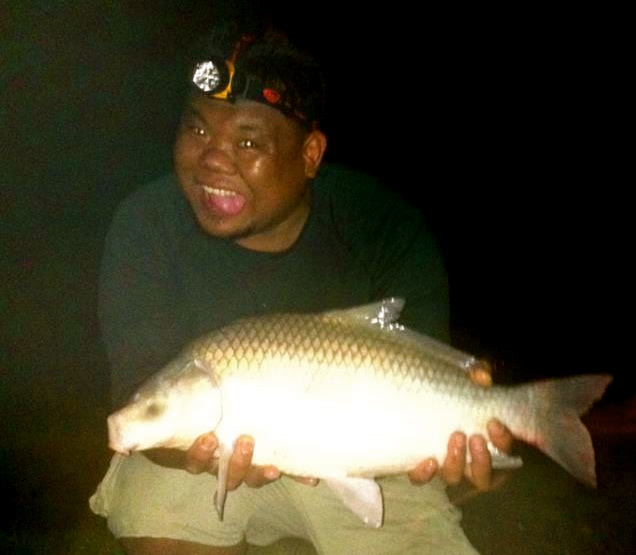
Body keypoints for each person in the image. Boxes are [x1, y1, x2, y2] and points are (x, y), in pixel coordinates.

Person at [89, 26, 513, 555]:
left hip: (367, 460)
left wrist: (478, 455)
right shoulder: (146, 226)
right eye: (196, 130)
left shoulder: (384, 229)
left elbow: (433, 380)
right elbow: (145, 391)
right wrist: (184, 450)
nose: (212, 160)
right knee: (152, 501)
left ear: (310, 154)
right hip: (206, 468)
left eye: (248, 141)